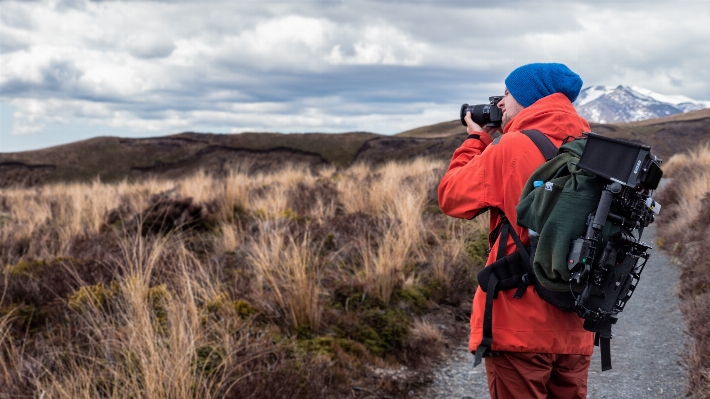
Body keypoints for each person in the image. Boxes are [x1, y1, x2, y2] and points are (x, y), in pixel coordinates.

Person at [438, 63, 595, 399]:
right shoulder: (593, 149)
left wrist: (476, 139)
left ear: (527, 97)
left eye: (507, 94)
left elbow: (451, 197)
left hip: (519, 321)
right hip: (576, 325)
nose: (500, 104)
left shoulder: (510, 148)